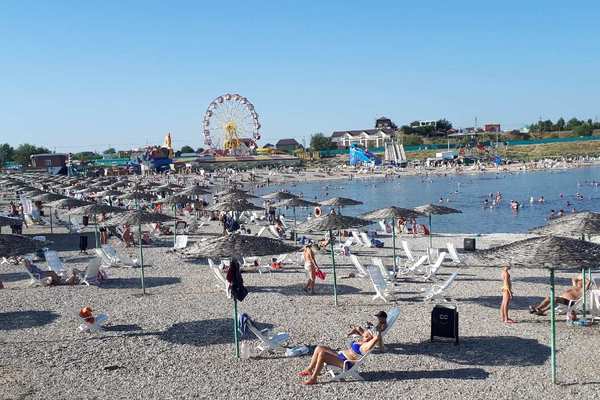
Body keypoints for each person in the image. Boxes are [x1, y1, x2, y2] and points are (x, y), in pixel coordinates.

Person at [298, 330, 382, 384]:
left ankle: (314, 378)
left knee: (322, 354)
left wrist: (376, 336)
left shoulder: (365, 346)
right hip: (340, 356)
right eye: (365, 336)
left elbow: (376, 338)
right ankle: (309, 369)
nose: (365, 338)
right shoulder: (362, 340)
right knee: (319, 348)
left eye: (368, 337)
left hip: (346, 363)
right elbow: (363, 331)